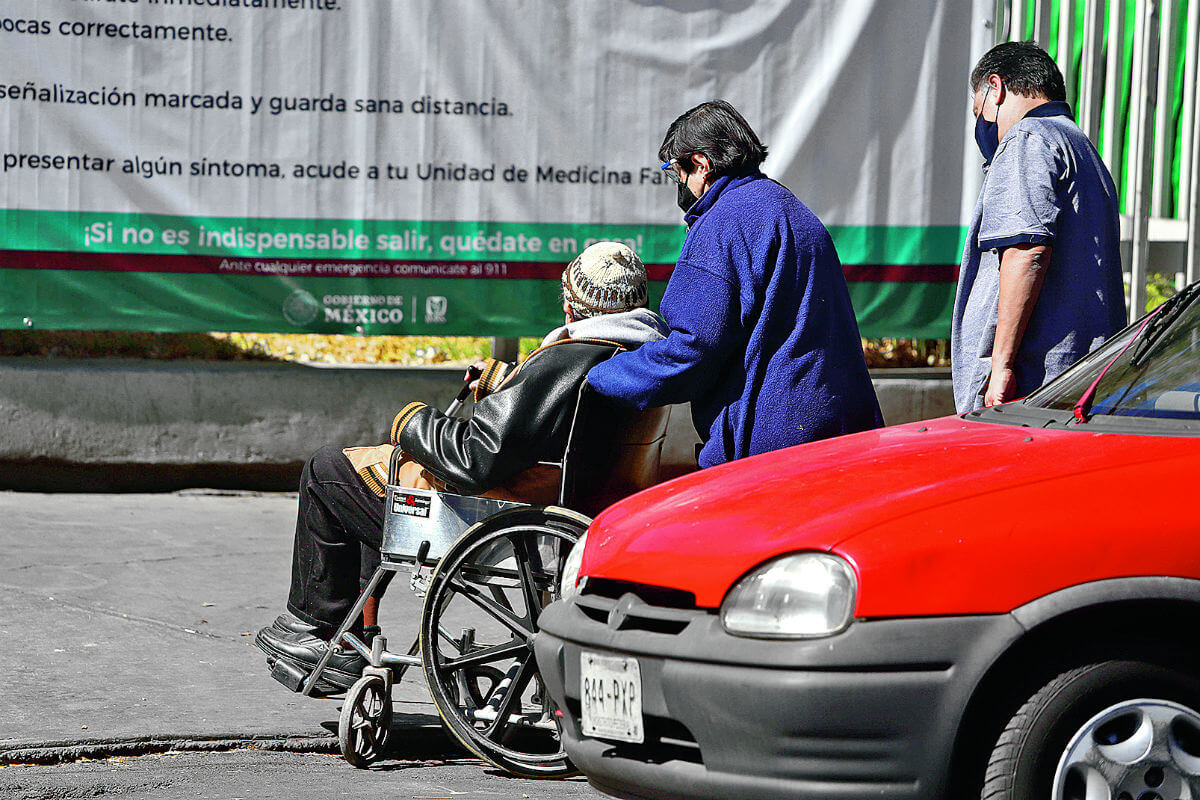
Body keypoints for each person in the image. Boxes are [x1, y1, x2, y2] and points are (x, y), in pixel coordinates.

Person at [255, 242, 669, 691]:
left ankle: (317, 629)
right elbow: (547, 413)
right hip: (562, 499)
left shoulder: (573, 355)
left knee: (327, 473)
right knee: (359, 485)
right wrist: (505, 380)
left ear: (572, 304)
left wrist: (411, 422)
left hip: (498, 510)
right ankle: (350, 633)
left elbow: (474, 458)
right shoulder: (638, 351)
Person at [587, 100, 883, 468]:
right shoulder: (790, 210)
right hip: (845, 433)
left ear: (700, 164)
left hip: (777, 452)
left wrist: (600, 375)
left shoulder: (722, 224)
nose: (679, 185)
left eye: (676, 171)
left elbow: (690, 352)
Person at [953, 41, 1126, 412]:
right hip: (1080, 378)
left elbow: (1027, 249)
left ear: (995, 87)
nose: (981, 124)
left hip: (1031, 388)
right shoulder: (1081, 146)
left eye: (978, 110)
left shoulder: (1027, 139)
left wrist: (1000, 367)